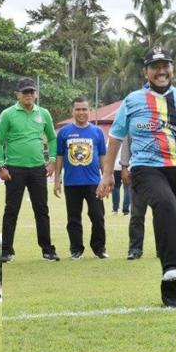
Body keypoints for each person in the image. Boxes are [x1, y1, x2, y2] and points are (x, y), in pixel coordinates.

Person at [97, 47, 176, 308]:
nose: (161, 71)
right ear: (146, 72)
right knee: (166, 206)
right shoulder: (133, 100)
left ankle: (172, 293)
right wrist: (107, 174)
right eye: (155, 66)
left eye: (165, 66)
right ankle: (170, 264)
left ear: (172, 69)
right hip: (146, 168)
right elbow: (115, 137)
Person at [0, 77, 58, 262]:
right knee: (11, 210)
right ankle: (6, 250)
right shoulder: (8, 114)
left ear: (36, 94)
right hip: (14, 169)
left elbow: (52, 138)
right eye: (25, 92)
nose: (29, 95)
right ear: (18, 95)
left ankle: (47, 249)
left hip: (38, 169)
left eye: (32, 92)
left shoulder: (43, 113)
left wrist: (52, 160)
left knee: (42, 210)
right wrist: (0, 165)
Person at [54, 96, 108, 260]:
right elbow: (60, 157)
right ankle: (76, 249)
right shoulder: (64, 132)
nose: (81, 112)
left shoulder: (97, 132)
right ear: (73, 111)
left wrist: (105, 179)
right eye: (78, 109)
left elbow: (103, 158)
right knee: (73, 219)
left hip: (94, 183)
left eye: (84, 109)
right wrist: (57, 180)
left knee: (98, 217)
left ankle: (99, 248)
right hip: (71, 183)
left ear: (89, 110)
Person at [119, 136, 147, 260]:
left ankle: (162, 249)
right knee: (137, 213)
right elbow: (126, 143)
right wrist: (124, 167)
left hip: (162, 171)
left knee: (162, 213)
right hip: (138, 172)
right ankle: (135, 249)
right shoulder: (133, 117)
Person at [111, 139, 130, 216]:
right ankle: (126, 211)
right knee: (127, 188)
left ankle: (115, 209)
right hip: (126, 165)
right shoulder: (129, 136)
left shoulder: (114, 136)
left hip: (116, 166)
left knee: (116, 187)